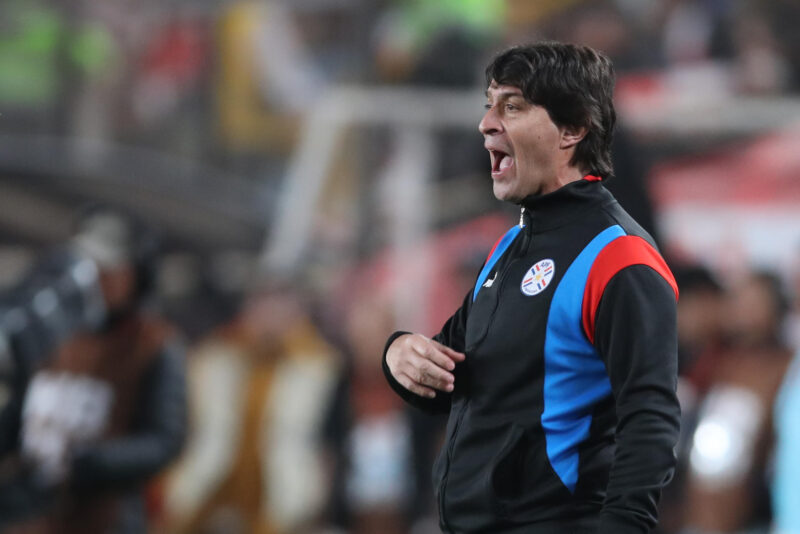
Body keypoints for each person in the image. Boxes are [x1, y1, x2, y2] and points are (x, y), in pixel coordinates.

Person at [382, 42, 680, 534]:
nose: (486, 124)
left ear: (573, 128)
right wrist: (399, 355)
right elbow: (451, 380)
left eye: (513, 106)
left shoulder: (619, 258)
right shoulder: (509, 247)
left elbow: (650, 419)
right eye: (489, 105)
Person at [3, 206, 187, 534]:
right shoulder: (53, 326)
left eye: (108, 271)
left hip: (101, 514)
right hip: (28, 508)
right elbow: (21, 406)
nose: (95, 280)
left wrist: (93, 462)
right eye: (87, 268)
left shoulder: (155, 344)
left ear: (137, 276)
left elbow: (165, 439)